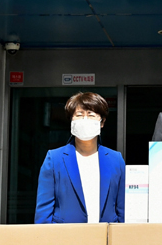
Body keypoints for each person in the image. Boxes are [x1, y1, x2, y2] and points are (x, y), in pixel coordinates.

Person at [35, 92, 125, 223]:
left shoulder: (115, 160)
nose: (85, 120)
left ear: (102, 122)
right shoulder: (54, 159)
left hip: (105, 234)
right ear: (71, 121)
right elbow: (44, 211)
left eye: (91, 115)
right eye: (79, 115)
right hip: (66, 234)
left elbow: (122, 209)